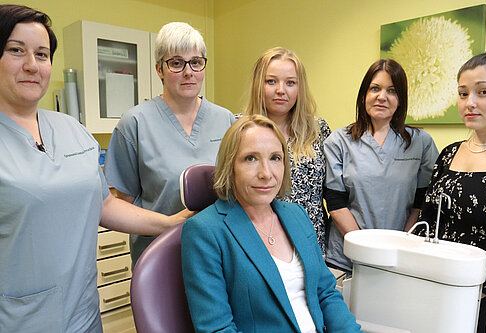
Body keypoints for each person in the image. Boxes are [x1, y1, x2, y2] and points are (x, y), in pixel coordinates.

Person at [0, 5, 194, 332]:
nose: (32, 65)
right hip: (19, 321)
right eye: (17, 51)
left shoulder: (72, 130)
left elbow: (104, 204)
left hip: (85, 315)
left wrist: (172, 224)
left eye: (42, 54)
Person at [182, 115, 361, 333]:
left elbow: (325, 292)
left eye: (275, 158)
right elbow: (217, 329)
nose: (266, 174)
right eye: (250, 159)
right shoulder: (204, 231)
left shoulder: (296, 215)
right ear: (230, 166)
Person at [104, 22, 234, 266]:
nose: (189, 72)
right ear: (159, 69)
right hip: (161, 257)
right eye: (176, 63)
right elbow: (121, 208)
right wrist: (171, 223)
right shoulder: (135, 123)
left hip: (217, 255)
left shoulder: (225, 119)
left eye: (196, 62)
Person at [323, 59, 438, 273]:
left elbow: (421, 203)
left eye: (392, 91)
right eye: (375, 88)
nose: (382, 97)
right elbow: (336, 203)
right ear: (363, 95)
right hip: (347, 259)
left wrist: (400, 247)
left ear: (400, 99)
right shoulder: (338, 142)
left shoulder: (420, 143)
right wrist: (366, 250)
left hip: (399, 259)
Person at [417, 46, 486, 333]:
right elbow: (425, 225)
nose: (469, 102)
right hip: (436, 290)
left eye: (483, 92)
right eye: (463, 93)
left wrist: (484, 288)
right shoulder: (449, 154)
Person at [241, 47, 332, 253]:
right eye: (271, 81)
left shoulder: (317, 129)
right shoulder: (241, 128)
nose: (281, 90)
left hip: (310, 242)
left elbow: (332, 190)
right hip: (258, 242)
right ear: (258, 85)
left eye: (290, 83)